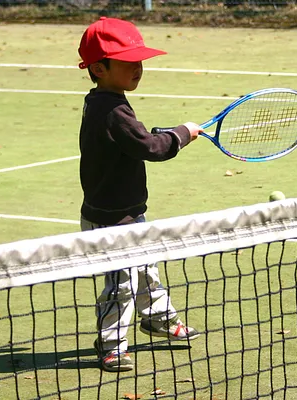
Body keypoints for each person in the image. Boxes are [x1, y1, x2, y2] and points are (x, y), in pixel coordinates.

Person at [78, 17, 202, 373]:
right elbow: (150, 147)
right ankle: (111, 343)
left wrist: (160, 134)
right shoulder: (113, 109)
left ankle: (158, 318)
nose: (138, 68)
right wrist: (182, 133)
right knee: (121, 284)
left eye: (140, 61)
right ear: (99, 67)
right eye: (128, 62)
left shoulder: (103, 100)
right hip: (110, 219)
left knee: (146, 271)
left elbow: (130, 141)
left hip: (128, 212)